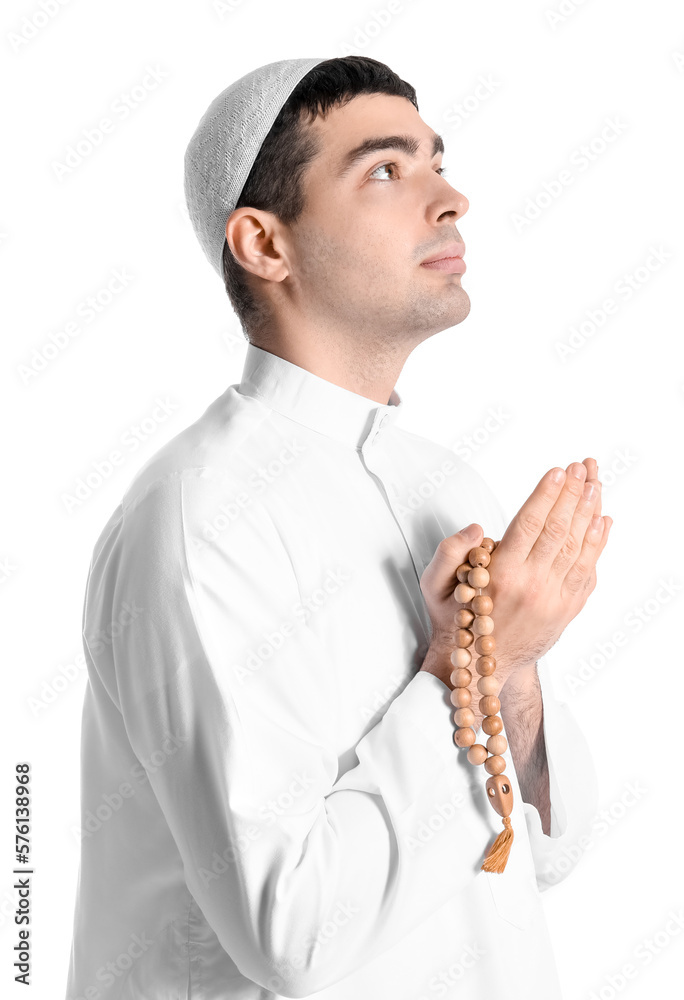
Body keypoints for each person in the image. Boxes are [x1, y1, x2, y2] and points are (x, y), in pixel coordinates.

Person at [64, 55, 612, 999]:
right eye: (386, 170)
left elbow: (543, 850)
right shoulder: (199, 518)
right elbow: (291, 935)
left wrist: (511, 664)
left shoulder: (446, 482)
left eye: (438, 161)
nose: (451, 199)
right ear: (263, 244)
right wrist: (464, 668)